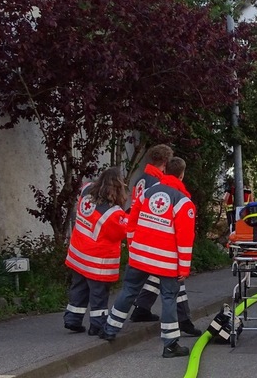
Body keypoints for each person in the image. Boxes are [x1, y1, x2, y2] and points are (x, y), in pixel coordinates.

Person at [100, 157, 196, 358]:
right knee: (169, 298)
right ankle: (170, 345)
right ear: (181, 175)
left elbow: (131, 224)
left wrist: (134, 248)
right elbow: (185, 240)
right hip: (166, 260)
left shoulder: (147, 193)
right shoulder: (183, 202)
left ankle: (109, 329)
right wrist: (183, 269)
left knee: (129, 291)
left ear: (165, 171)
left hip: (141, 256)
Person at [127, 145, 201, 337]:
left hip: (143, 236)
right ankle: (183, 321)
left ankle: (142, 308)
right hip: (158, 237)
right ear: (166, 163)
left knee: (154, 279)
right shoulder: (158, 182)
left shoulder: (142, 178)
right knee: (175, 283)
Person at [64, 167, 128, 335]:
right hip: (96, 261)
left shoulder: (86, 190)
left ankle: (72, 319)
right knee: (98, 293)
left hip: (78, 253)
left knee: (78, 287)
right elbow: (121, 232)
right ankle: (97, 325)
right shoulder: (113, 213)